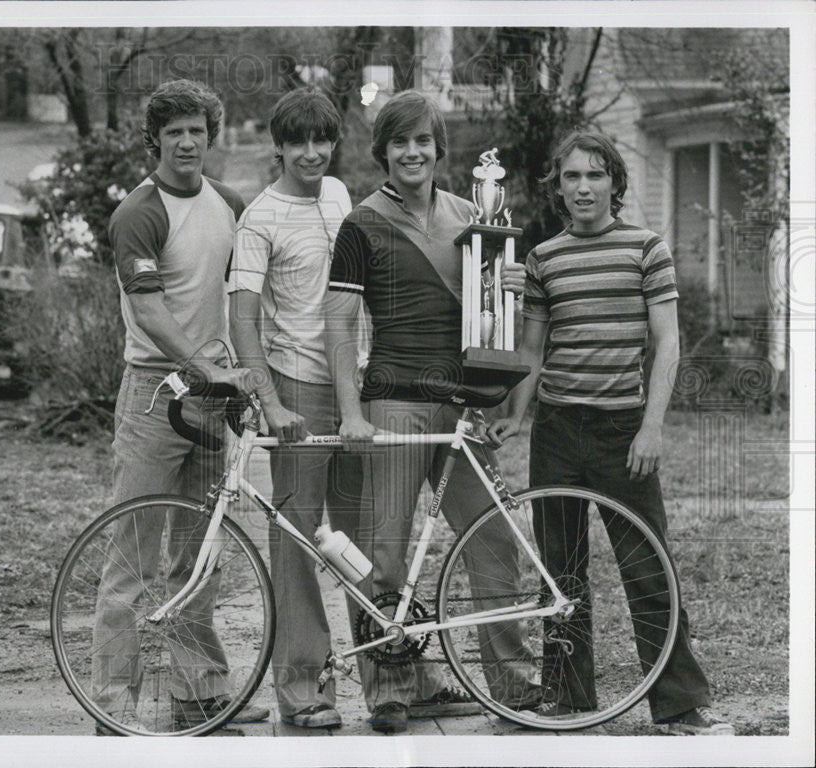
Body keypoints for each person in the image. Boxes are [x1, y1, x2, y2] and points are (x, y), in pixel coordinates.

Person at [487, 130, 735, 736]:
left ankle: (678, 703)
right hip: (558, 430)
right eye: (571, 177)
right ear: (559, 187)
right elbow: (534, 347)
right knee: (560, 572)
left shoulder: (646, 249)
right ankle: (570, 697)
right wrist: (518, 415)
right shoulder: (545, 257)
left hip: (623, 430)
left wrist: (652, 427)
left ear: (614, 183)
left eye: (595, 175)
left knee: (647, 566)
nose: (583, 187)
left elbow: (667, 343)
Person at [324, 90, 543, 734]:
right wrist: (349, 413)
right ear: (384, 152)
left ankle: (513, 683)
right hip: (391, 402)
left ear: (438, 148)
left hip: (461, 408)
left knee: (494, 537)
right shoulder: (360, 223)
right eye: (400, 142)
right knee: (385, 552)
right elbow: (339, 325)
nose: (413, 152)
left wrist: (509, 284)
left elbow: (493, 320)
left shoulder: (473, 214)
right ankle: (392, 690)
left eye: (423, 140)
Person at [91, 78, 269, 734]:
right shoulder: (139, 212)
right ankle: (113, 696)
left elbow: (243, 301)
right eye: (174, 133)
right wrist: (209, 368)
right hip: (154, 391)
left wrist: (236, 381)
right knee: (133, 548)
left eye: (196, 129)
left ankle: (199, 690)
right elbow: (149, 310)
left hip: (210, 394)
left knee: (200, 552)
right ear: (155, 141)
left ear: (210, 134)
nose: (187, 141)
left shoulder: (229, 203)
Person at [227, 87, 358, 729]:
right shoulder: (260, 218)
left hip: (354, 387)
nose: (311, 152)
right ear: (278, 146)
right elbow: (242, 320)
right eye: (298, 141)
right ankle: (306, 693)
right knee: (299, 541)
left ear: (333, 143)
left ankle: (394, 675)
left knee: (364, 537)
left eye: (321, 140)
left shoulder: (339, 196)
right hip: (299, 389)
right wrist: (270, 403)